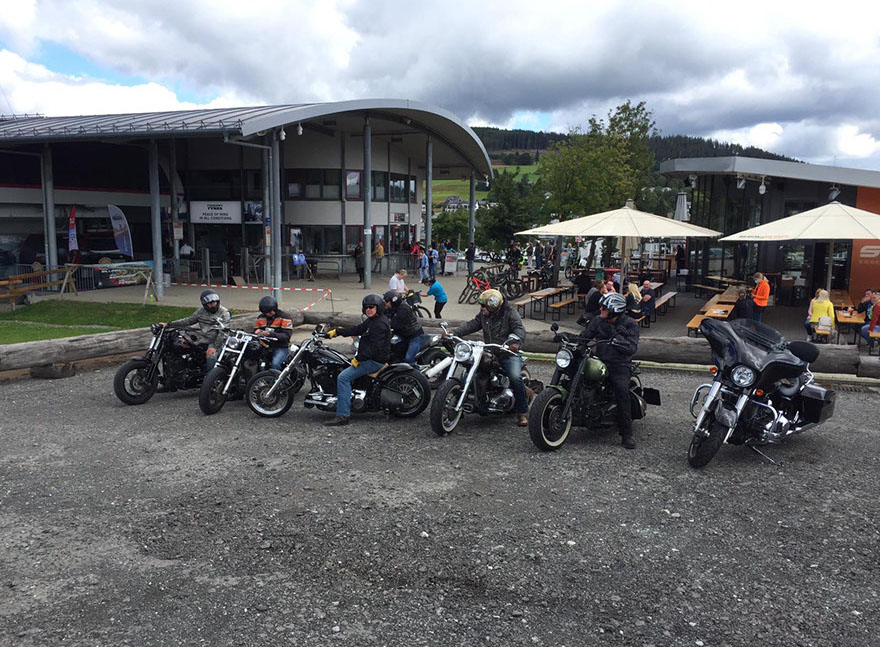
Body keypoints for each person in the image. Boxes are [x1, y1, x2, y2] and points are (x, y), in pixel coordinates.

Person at [447, 289, 530, 427]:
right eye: (481, 305)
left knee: (515, 377)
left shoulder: (510, 313)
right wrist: (455, 333)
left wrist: (515, 343)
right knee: (467, 372)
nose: (481, 308)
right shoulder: (484, 314)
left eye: (484, 306)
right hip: (490, 352)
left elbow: (519, 329)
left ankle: (522, 412)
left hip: (507, 353)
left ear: (493, 306)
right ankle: (461, 404)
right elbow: (472, 324)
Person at [580, 292, 640, 449]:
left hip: (619, 364)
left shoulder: (630, 324)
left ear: (615, 310)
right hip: (599, 360)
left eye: (604, 308)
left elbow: (631, 348)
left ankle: (626, 434)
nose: (600, 309)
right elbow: (585, 336)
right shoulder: (597, 320)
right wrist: (568, 338)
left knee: (621, 390)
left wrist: (613, 333)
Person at [323, 294, 391, 426]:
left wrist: (358, 358)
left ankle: (343, 415)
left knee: (343, 378)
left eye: (371, 307)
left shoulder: (380, 324)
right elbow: (358, 329)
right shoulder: (373, 320)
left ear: (379, 307)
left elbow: (375, 348)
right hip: (370, 358)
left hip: (374, 361)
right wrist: (337, 332)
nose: (368, 309)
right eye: (366, 307)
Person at [161, 290, 231, 373]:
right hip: (203, 338)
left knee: (211, 357)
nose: (213, 305)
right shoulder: (201, 311)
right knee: (182, 346)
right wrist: (169, 324)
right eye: (210, 303)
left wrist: (214, 347)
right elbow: (188, 321)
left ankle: (209, 377)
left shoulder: (224, 313)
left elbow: (223, 332)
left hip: (216, 340)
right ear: (204, 304)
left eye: (215, 302)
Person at [383, 290, 424, 366]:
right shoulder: (392, 308)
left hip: (414, 336)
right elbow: (384, 316)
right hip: (403, 335)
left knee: (409, 358)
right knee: (393, 351)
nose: (385, 303)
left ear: (393, 301)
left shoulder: (403, 309)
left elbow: (395, 324)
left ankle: (416, 372)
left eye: (387, 301)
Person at [254, 295, 293, 370]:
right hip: (264, 346)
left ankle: (276, 377)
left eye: (269, 312)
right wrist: (257, 332)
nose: (268, 314)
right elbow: (256, 330)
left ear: (275, 308)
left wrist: (270, 334)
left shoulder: (284, 317)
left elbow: (286, 336)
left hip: (280, 347)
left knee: (275, 363)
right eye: (265, 312)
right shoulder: (261, 318)